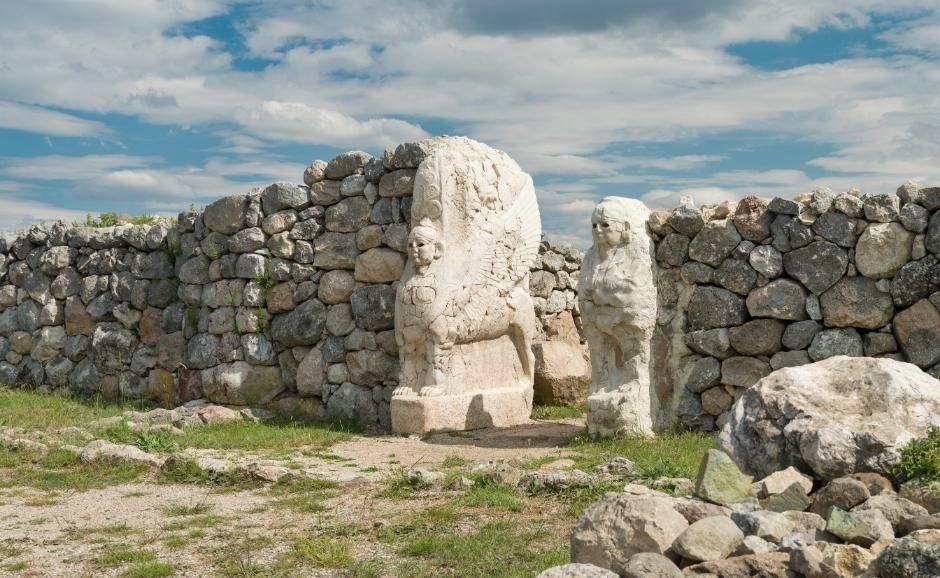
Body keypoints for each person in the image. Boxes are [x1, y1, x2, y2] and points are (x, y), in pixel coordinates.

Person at [578, 197, 657, 436]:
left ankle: (633, 403)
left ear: (624, 228)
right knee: (602, 363)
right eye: (594, 226)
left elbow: (633, 294)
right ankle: (603, 393)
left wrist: (601, 296)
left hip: (627, 324)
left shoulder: (635, 255)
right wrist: (606, 297)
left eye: (605, 225)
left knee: (633, 361)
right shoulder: (592, 258)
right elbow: (584, 293)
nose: (598, 231)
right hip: (598, 321)